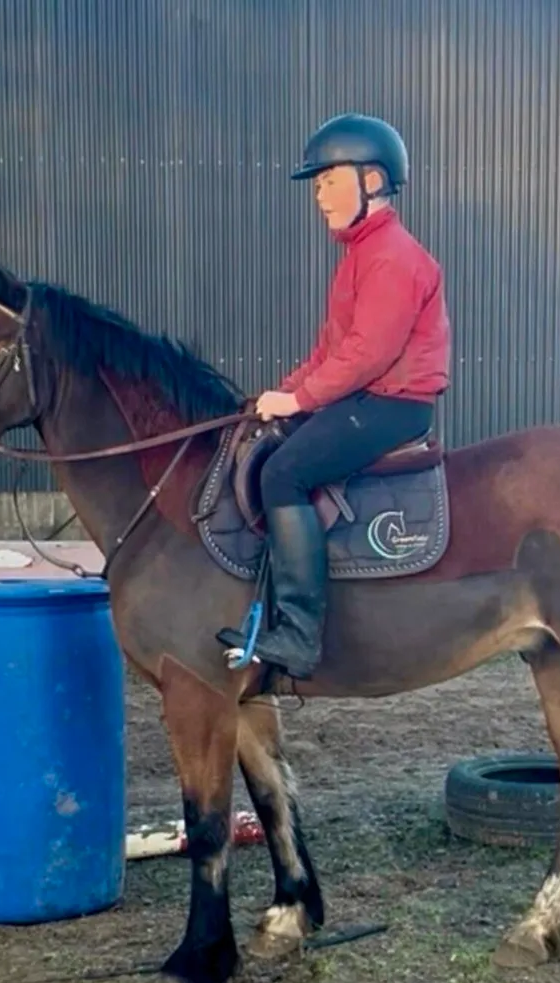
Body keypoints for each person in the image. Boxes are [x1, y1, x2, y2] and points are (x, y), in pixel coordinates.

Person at [218, 112, 452, 680]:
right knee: (267, 447)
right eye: (316, 184)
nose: (319, 195)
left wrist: (298, 404)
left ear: (370, 180)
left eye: (328, 180)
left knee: (284, 474)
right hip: (366, 396)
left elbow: (367, 354)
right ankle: (268, 610)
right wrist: (278, 396)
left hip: (393, 404)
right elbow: (330, 352)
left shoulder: (393, 256)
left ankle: (299, 636)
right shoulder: (360, 256)